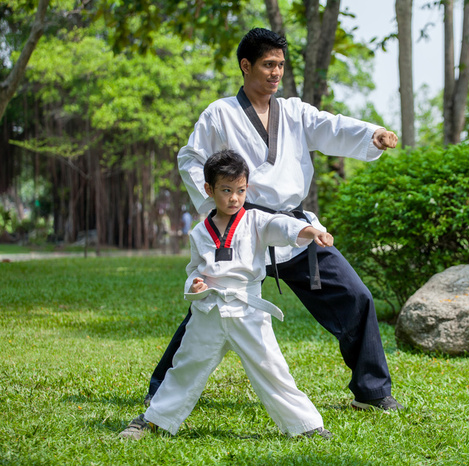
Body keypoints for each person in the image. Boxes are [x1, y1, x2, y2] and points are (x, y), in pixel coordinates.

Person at [146, 27, 403, 412]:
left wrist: (374, 134)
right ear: (245, 65)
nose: (276, 73)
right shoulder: (220, 114)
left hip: (294, 228)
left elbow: (332, 126)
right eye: (268, 64)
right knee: (210, 306)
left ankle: (372, 391)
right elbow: (191, 159)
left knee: (356, 297)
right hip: (242, 228)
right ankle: (161, 389)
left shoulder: (295, 111)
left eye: (280, 65)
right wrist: (214, 205)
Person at [120, 149, 334, 440]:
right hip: (209, 311)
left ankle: (306, 426)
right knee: (186, 366)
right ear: (209, 189)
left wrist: (310, 231)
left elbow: (281, 225)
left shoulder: (257, 221)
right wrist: (195, 285)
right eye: (226, 190)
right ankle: (155, 419)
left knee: (272, 368)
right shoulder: (199, 232)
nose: (234, 198)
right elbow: (194, 269)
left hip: (249, 312)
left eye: (241, 190)